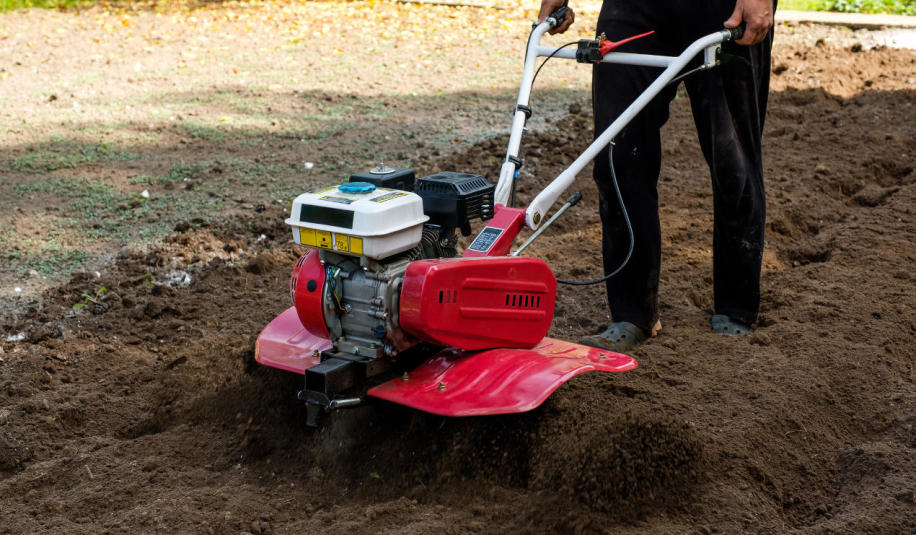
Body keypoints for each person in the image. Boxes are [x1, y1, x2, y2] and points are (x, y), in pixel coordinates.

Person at [536, 0, 775, 352]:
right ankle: (633, 314)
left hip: (723, 7)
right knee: (618, 149)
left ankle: (736, 306)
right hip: (634, 7)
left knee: (732, 157)